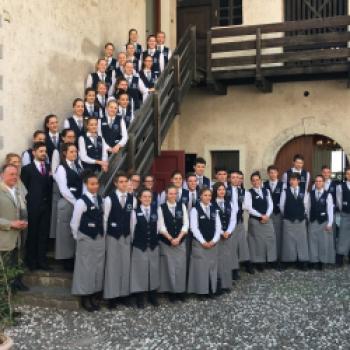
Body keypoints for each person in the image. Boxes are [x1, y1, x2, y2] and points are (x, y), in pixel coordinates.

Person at [70, 170, 105, 312]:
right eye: (91, 184)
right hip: (85, 238)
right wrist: (79, 238)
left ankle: (94, 294)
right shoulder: (80, 201)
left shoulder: (101, 199)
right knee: (85, 268)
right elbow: (74, 223)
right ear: (86, 185)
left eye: (96, 184)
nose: (94, 186)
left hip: (98, 238)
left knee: (97, 266)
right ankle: (85, 297)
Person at [103, 172, 136, 308]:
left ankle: (123, 295)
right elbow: (104, 219)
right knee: (112, 267)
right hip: (112, 236)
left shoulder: (132, 199)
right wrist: (105, 238)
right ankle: (112, 297)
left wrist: (131, 236)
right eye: (121, 182)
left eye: (125, 181)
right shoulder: (109, 199)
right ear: (116, 183)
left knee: (125, 266)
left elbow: (132, 220)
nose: (123, 184)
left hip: (126, 236)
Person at [21, 142, 53, 271]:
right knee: (32, 234)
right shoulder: (27, 169)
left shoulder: (49, 167)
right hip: (32, 207)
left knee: (43, 234)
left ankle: (42, 261)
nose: (43, 153)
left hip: (46, 207)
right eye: (41, 151)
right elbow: (24, 189)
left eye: (45, 151)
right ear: (34, 153)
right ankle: (31, 262)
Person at [54, 143, 83, 271]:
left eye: (76, 151)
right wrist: (76, 202)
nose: (74, 154)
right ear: (65, 153)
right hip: (67, 202)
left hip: (78, 202)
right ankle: (66, 261)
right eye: (72, 151)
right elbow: (63, 189)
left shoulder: (78, 166)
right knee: (65, 232)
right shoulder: (61, 168)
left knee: (74, 231)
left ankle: (73, 257)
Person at [187, 187, 221, 297]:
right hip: (200, 244)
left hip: (212, 243)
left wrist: (214, 240)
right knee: (200, 268)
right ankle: (201, 292)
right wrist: (203, 241)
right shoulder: (194, 210)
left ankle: (212, 289)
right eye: (205, 195)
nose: (207, 197)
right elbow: (193, 228)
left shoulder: (215, 209)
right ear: (200, 196)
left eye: (209, 195)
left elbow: (218, 226)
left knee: (212, 267)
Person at [130, 188, 160, 308]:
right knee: (139, 271)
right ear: (140, 198)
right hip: (140, 245)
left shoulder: (155, 211)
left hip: (152, 245)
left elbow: (158, 228)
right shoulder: (134, 212)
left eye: (149, 197)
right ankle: (140, 297)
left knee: (153, 270)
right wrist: (137, 242)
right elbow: (132, 230)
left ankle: (152, 295)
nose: (147, 199)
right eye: (145, 197)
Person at [0, 164, 28, 291]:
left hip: (16, 239)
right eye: (11, 174)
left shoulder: (17, 191)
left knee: (12, 273)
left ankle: (10, 307)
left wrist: (22, 222)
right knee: (3, 278)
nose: (14, 177)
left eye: (16, 174)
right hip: (3, 241)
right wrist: (11, 224)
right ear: (2, 175)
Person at [158, 185, 188, 301]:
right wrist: (171, 239)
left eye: (175, 193)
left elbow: (186, 224)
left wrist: (179, 238)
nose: (173, 196)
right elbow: (161, 226)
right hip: (167, 242)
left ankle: (180, 291)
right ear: (166, 194)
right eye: (170, 193)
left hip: (180, 241)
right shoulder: (161, 208)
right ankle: (171, 292)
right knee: (169, 267)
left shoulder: (182, 206)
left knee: (180, 266)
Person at [245, 172, 276, 272]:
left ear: (260, 180)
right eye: (253, 180)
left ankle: (269, 260)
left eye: (257, 180)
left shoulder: (266, 190)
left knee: (269, 239)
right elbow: (249, 208)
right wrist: (261, 215)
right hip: (255, 220)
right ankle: (258, 262)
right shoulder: (248, 193)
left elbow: (270, 204)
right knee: (257, 242)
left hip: (267, 218)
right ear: (251, 182)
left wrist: (267, 215)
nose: (255, 182)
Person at [280, 173, 309, 270]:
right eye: (291, 180)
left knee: (301, 241)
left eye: (294, 179)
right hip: (288, 220)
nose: (292, 181)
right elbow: (282, 206)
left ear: (298, 181)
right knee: (288, 242)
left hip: (300, 220)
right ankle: (288, 261)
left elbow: (306, 206)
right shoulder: (285, 191)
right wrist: (289, 214)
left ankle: (301, 261)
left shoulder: (303, 191)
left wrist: (301, 214)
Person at [228, 170, 253, 279]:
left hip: (239, 220)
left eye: (238, 177)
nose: (236, 179)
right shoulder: (225, 190)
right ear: (230, 179)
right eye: (233, 177)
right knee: (231, 246)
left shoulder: (244, 192)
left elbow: (247, 207)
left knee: (242, 244)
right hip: (227, 223)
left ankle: (245, 263)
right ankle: (233, 268)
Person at [212, 182, 236, 291]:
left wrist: (229, 231)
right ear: (215, 191)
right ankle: (218, 283)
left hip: (228, 235)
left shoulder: (229, 203)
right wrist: (221, 232)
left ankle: (227, 283)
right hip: (217, 236)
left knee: (227, 259)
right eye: (219, 189)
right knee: (218, 260)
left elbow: (233, 219)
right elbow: (213, 222)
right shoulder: (211, 204)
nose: (222, 191)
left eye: (223, 189)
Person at [307, 175, 335, 269]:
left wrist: (330, 223)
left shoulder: (328, 195)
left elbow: (330, 210)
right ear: (315, 183)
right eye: (317, 181)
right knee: (312, 242)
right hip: (313, 221)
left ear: (323, 183)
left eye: (320, 181)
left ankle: (321, 261)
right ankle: (313, 261)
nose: (318, 183)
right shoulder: (310, 194)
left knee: (323, 242)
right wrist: (308, 219)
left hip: (323, 221)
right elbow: (307, 208)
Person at [263, 165, 284, 265]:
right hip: (267, 215)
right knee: (267, 237)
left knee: (278, 237)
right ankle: (268, 259)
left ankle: (278, 259)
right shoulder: (264, 184)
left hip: (277, 214)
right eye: (271, 172)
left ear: (277, 173)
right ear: (268, 173)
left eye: (274, 172)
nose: (273, 174)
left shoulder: (283, 185)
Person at [336, 167, 350, 266]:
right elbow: (339, 200)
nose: (349, 175)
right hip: (345, 213)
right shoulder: (341, 186)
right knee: (343, 236)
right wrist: (343, 209)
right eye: (348, 173)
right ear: (345, 175)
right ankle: (340, 258)